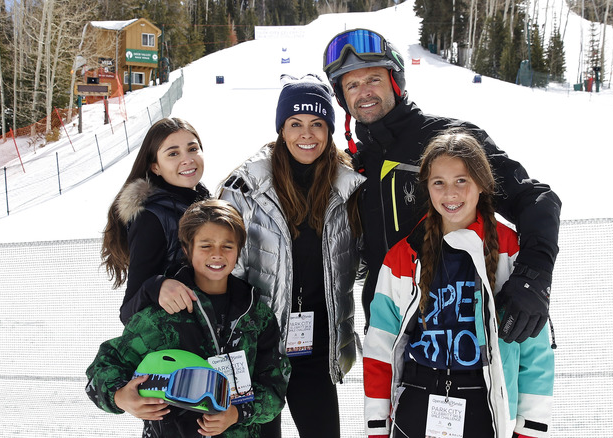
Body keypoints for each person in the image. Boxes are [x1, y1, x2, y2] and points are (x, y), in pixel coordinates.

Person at [322, 28, 562, 343]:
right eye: (352, 84)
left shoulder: (449, 140)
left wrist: (534, 276)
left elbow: (535, 199)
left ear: (395, 81)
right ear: (342, 97)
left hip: (463, 332)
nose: (363, 91)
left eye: (373, 79)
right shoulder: (355, 164)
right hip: (390, 332)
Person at [362, 129, 554, 438]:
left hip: (486, 404)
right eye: (439, 182)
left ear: (482, 184)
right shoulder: (402, 256)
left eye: (461, 180)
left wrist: (531, 428)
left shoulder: (510, 250)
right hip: (416, 401)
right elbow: (379, 348)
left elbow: (535, 351)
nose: (450, 194)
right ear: (427, 187)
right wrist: (377, 425)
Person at [219, 74, 364, 438]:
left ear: (329, 130)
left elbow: (359, 262)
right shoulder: (246, 186)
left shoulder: (347, 185)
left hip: (317, 340)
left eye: (317, 124)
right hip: (259, 343)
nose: (307, 134)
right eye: (295, 124)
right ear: (281, 129)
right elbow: (219, 265)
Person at [86, 199, 291, 437]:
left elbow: (276, 384)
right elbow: (104, 366)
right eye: (206, 246)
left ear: (239, 250)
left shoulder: (256, 314)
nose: (217, 255)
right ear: (187, 249)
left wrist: (237, 413)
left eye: (227, 246)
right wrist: (120, 397)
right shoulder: (163, 314)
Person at [101, 117, 210, 325]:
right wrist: (157, 286)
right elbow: (129, 312)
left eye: (193, 149)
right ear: (155, 167)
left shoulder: (204, 202)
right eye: (173, 154)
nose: (187, 159)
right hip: (176, 345)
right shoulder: (151, 218)